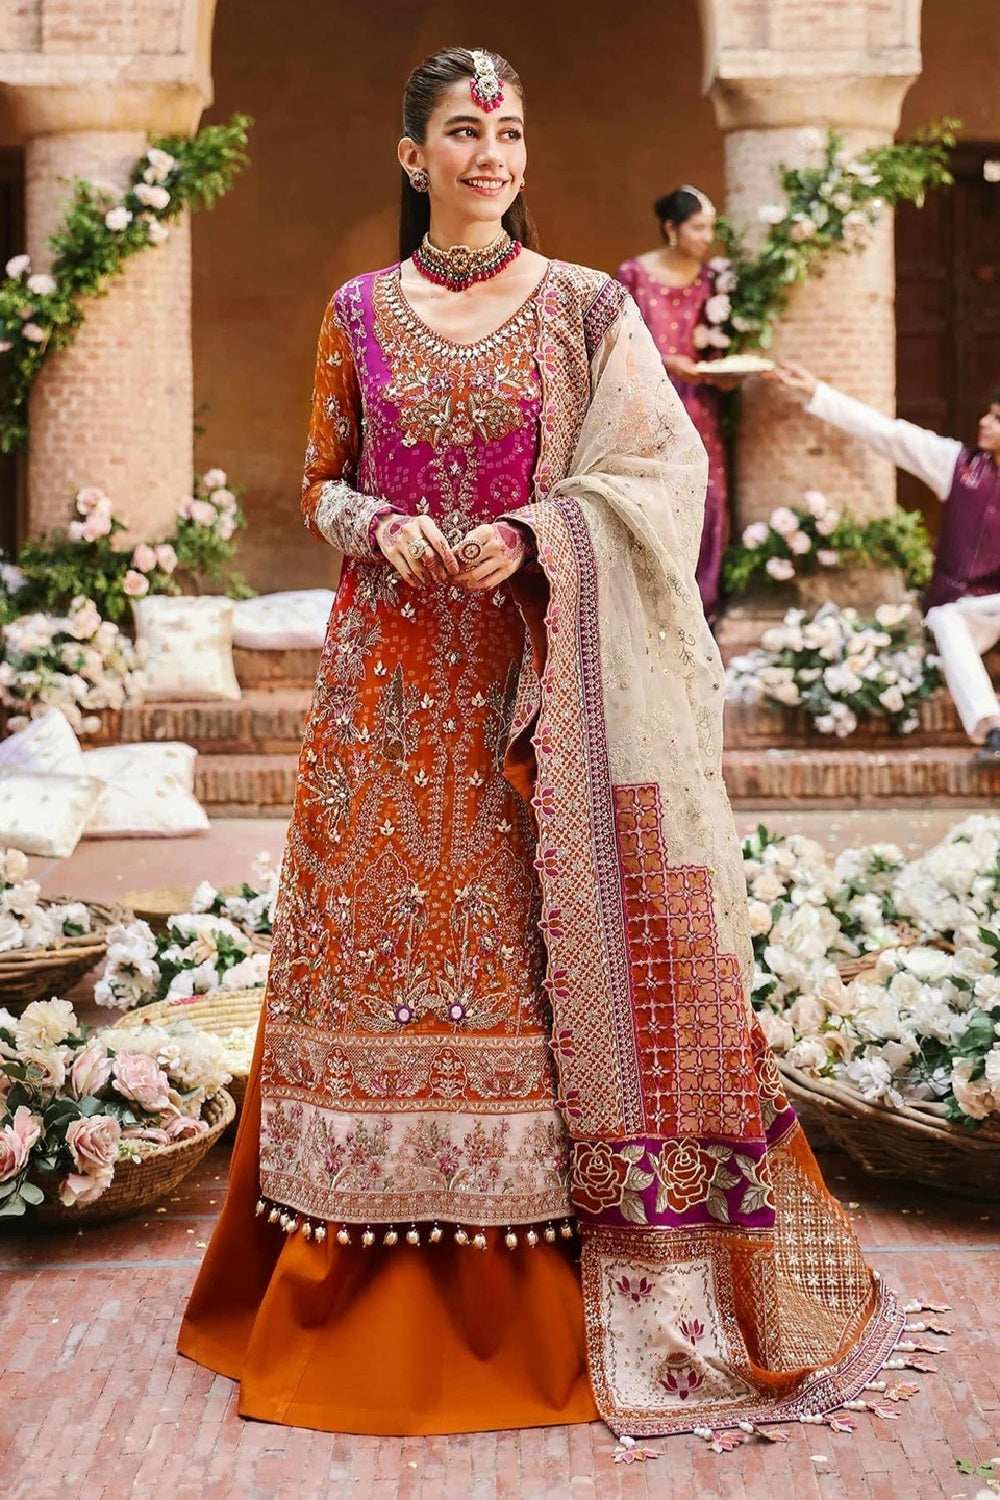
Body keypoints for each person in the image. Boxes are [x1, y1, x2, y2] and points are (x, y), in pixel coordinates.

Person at [179, 47, 905, 1439]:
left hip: (542, 698)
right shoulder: (357, 312)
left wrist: (531, 534)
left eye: (507, 131)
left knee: (522, 958)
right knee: (383, 959)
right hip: (389, 703)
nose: (490, 155)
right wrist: (377, 525)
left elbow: (660, 475)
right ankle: (345, 1270)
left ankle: (550, 1282)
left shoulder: (584, 308)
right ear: (414, 158)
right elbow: (322, 480)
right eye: (462, 132)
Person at [772, 361, 1000, 761]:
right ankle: (992, 729)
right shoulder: (958, 465)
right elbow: (887, 434)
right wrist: (817, 392)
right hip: (964, 607)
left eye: (996, 418)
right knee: (946, 619)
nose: (984, 421)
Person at [616, 188, 735, 626]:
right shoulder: (634, 275)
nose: (707, 237)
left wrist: (724, 370)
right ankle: (652, 610)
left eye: (711, 228)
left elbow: (721, 344)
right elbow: (617, 340)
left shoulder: (714, 281)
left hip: (700, 405)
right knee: (653, 496)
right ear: (671, 228)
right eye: (698, 227)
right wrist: (667, 362)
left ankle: (702, 610)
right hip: (647, 405)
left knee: (708, 495)